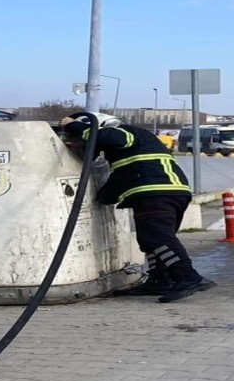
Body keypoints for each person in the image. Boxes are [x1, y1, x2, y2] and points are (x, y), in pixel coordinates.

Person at [60, 112, 216, 303]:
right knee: (151, 241)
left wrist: (73, 125)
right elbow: (125, 174)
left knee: (157, 238)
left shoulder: (127, 132)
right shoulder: (130, 149)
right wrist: (105, 196)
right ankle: (160, 280)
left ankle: (188, 277)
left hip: (155, 193)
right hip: (167, 193)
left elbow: (107, 137)